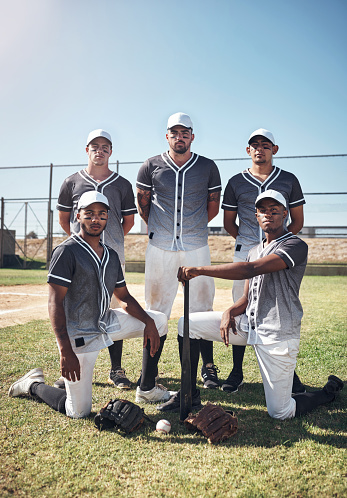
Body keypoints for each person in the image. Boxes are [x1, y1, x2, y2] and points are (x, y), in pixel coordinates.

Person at [157, 190, 344, 416]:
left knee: (281, 412)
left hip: (277, 333)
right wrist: (230, 311)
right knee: (188, 324)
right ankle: (188, 393)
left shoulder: (295, 245)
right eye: (263, 210)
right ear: (256, 216)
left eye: (274, 210)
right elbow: (247, 297)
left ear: (285, 214)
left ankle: (326, 393)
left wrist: (198, 270)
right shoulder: (254, 250)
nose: (268, 215)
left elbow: (251, 269)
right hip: (248, 325)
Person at [8, 191, 171, 418]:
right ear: (78, 216)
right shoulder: (66, 251)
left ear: (107, 219)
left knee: (160, 320)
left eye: (101, 214)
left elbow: (123, 296)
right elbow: (55, 302)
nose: (96, 219)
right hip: (80, 335)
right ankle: (33, 385)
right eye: (90, 214)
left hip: (106, 323)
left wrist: (148, 322)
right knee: (78, 411)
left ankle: (147, 388)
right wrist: (65, 350)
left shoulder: (111, 255)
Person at [136, 112, 222, 389]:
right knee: (155, 310)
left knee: (200, 310)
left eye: (185, 132)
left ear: (192, 136)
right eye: (175, 132)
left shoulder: (207, 166)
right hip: (160, 246)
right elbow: (143, 205)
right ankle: (150, 373)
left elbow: (212, 208)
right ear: (167, 136)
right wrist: (163, 229)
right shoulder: (150, 165)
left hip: (196, 246)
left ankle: (204, 370)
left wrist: (190, 228)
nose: (180, 137)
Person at [222, 128, 306, 394]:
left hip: (279, 255)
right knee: (241, 309)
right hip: (247, 251)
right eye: (254, 145)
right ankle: (237, 371)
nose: (260, 149)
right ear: (248, 151)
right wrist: (254, 246)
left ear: (275, 149)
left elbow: (298, 220)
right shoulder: (236, 181)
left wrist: (278, 247)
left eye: (265, 145)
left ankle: (287, 374)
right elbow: (228, 222)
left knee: (277, 312)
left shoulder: (289, 179)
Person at [56, 129, 137, 389]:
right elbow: (63, 217)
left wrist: (104, 245)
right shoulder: (71, 181)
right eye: (94, 146)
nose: (99, 150)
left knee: (113, 311)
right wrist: (81, 247)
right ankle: (70, 361)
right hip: (79, 260)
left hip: (111, 258)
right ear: (87, 149)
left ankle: (116, 369)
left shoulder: (122, 184)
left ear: (111, 151)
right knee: (75, 310)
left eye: (105, 147)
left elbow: (128, 221)